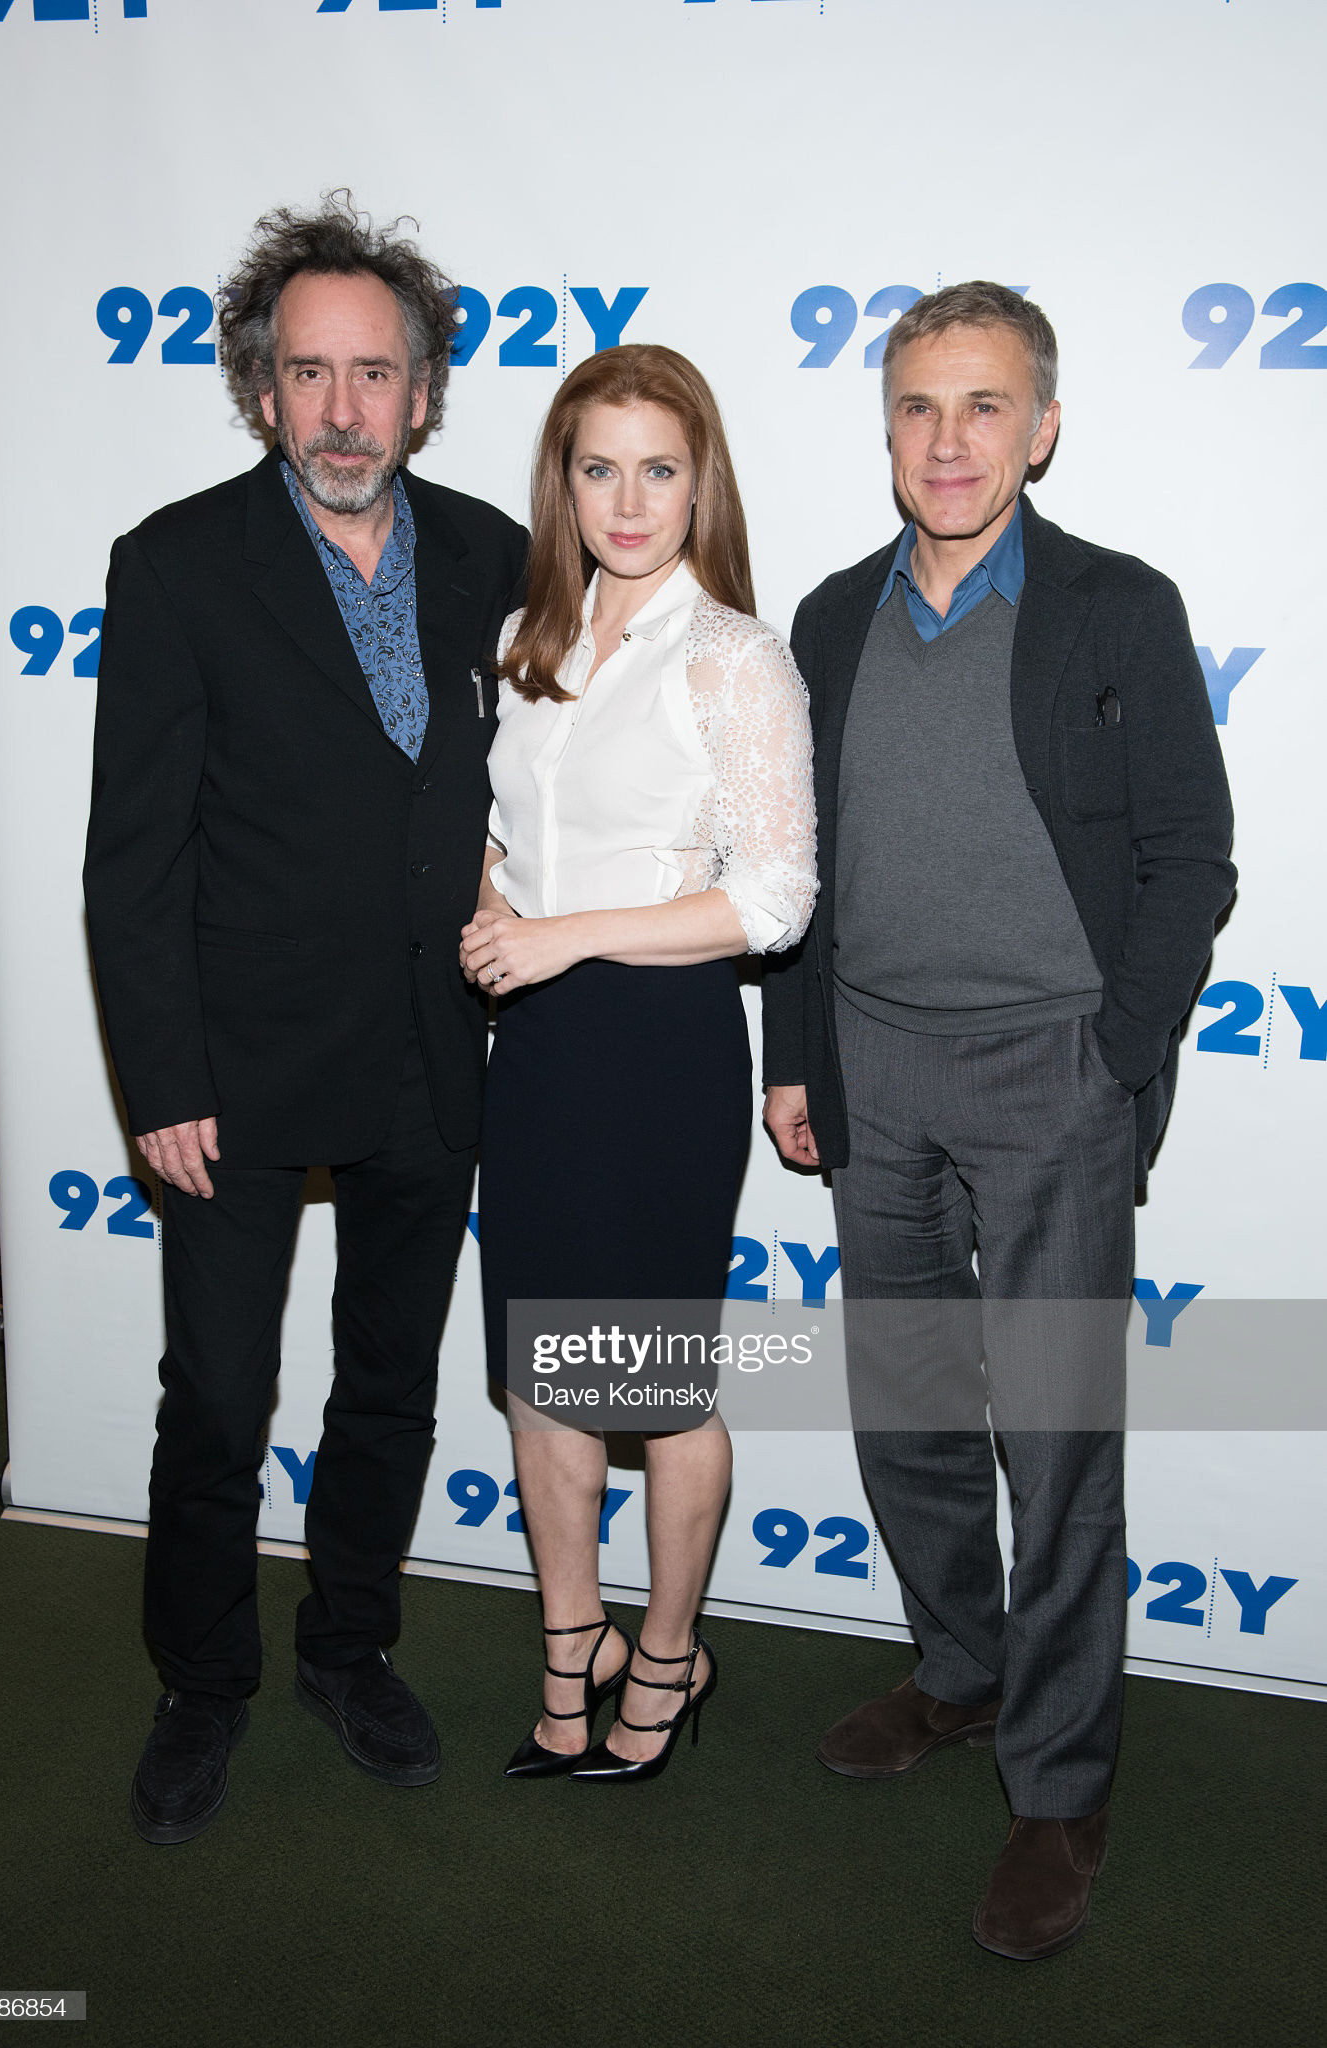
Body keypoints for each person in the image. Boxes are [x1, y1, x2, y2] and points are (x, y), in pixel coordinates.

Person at [762, 283, 1235, 1956]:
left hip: (1055, 1076)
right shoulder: (825, 619)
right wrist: (796, 1056)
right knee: (906, 1420)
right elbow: (797, 874)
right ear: (884, 429)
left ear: (1042, 427)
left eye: (984, 408)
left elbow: (1194, 855)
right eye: (917, 408)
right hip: (874, 1067)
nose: (948, 441)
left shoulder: (1119, 607)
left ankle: (1058, 1780)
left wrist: (1116, 1049)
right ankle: (959, 1677)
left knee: (1057, 1441)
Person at [83, 196, 528, 1844]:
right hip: (237, 1078)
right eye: (311, 375)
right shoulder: (178, 563)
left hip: (436, 1059)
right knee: (215, 1395)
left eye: (378, 374)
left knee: (390, 1386)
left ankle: (352, 1646)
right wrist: (164, 1078)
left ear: (424, 391)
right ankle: (203, 1683)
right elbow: (132, 857)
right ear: (262, 388)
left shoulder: (495, 551)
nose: (345, 411)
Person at [461, 345, 817, 1783]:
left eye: (657, 468)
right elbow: (517, 835)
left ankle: (666, 1658)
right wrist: (494, 901)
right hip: (536, 1055)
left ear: (700, 481)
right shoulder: (523, 643)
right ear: (563, 481)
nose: (627, 497)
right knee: (542, 1381)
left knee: (657, 1387)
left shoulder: (733, 657)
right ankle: (570, 1655)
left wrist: (560, 939)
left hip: (658, 1053)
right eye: (597, 466)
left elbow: (777, 899)